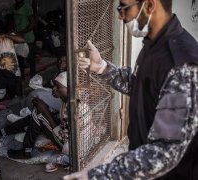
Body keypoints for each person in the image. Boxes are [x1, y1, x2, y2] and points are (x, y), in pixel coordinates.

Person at [64, 0, 198, 179]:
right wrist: (102, 67)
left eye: (124, 8)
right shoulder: (153, 45)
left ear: (150, 5)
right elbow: (140, 86)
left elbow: (164, 152)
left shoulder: (181, 63)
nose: (120, 16)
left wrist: (98, 175)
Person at [0, 72, 69, 172]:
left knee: (38, 115)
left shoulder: (73, 107)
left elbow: (64, 137)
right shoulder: (67, 101)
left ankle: (26, 152)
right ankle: (2, 132)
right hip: (66, 134)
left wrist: (45, 111)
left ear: (69, 89)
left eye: (58, 87)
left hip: (67, 145)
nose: (54, 89)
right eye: (54, 85)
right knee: (39, 114)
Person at [0, 20, 25, 98]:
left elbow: (22, 40)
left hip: (14, 73)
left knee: (19, 95)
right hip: (3, 76)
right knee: (10, 97)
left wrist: (7, 35)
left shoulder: (6, 39)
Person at [10, 0, 36, 78]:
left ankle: (33, 77)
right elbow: (13, 21)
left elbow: (32, 23)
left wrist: (21, 32)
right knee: (19, 57)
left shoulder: (27, 8)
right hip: (18, 36)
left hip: (28, 37)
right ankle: (22, 77)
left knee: (30, 58)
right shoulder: (13, 8)